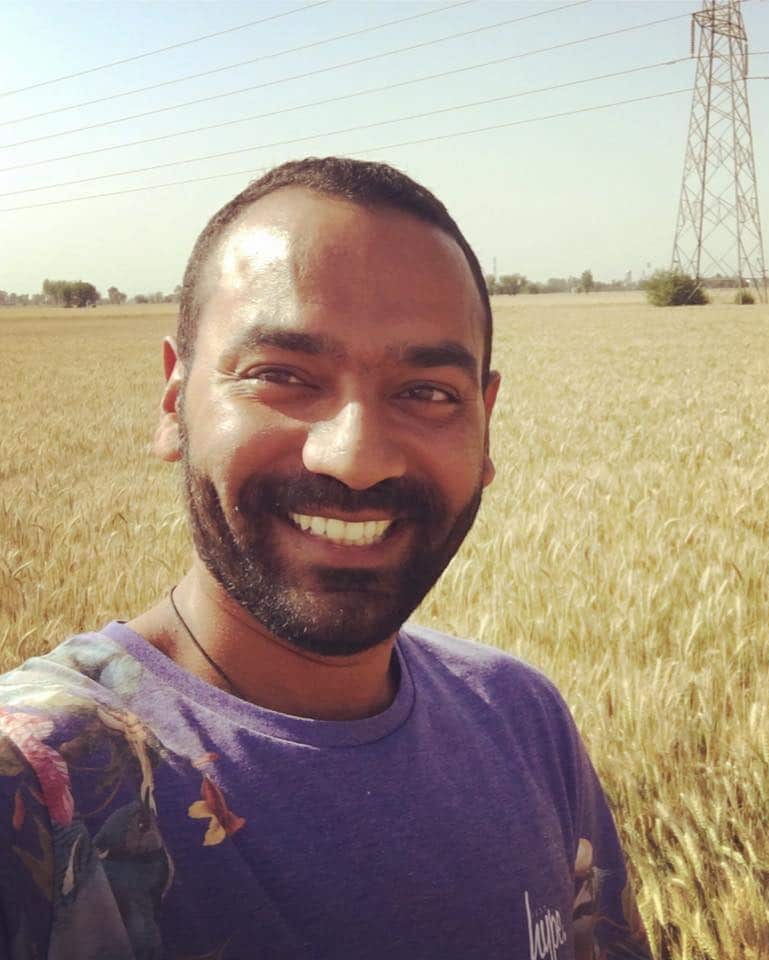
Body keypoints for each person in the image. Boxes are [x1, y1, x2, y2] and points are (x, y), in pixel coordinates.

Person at [0, 157, 651, 960]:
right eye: (280, 375)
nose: (356, 458)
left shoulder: (522, 719)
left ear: (485, 424)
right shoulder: (41, 787)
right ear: (174, 403)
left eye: (427, 391)